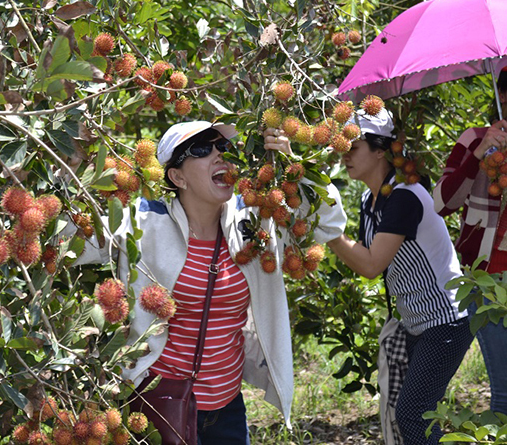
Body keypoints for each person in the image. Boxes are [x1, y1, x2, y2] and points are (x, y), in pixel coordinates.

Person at [73, 120, 346, 444]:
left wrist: (291, 165)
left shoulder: (254, 222)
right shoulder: (143, 222)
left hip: (228, 406)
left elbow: (328, 224)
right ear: (177, 176)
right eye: (202, 149)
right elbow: (73, 245)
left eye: (223, 147)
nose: (219, 155)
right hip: (161, 402)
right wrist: (72, 169)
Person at [326, 109, 473, 444]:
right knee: (416, 415)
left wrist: (329, 234)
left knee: (411, 412)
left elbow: (370, 265)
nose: (345, 154)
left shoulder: (404, 197)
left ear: (380, 150)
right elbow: (366, 257)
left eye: (355, 146)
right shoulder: (370, 200)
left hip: (444, 322)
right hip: (415, 322)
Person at [433, 68, 507, 415]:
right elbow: (441, 203)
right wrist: (478, 155)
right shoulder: (474, 139)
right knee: (505, 390)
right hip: (486, 278)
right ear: (502, 97)